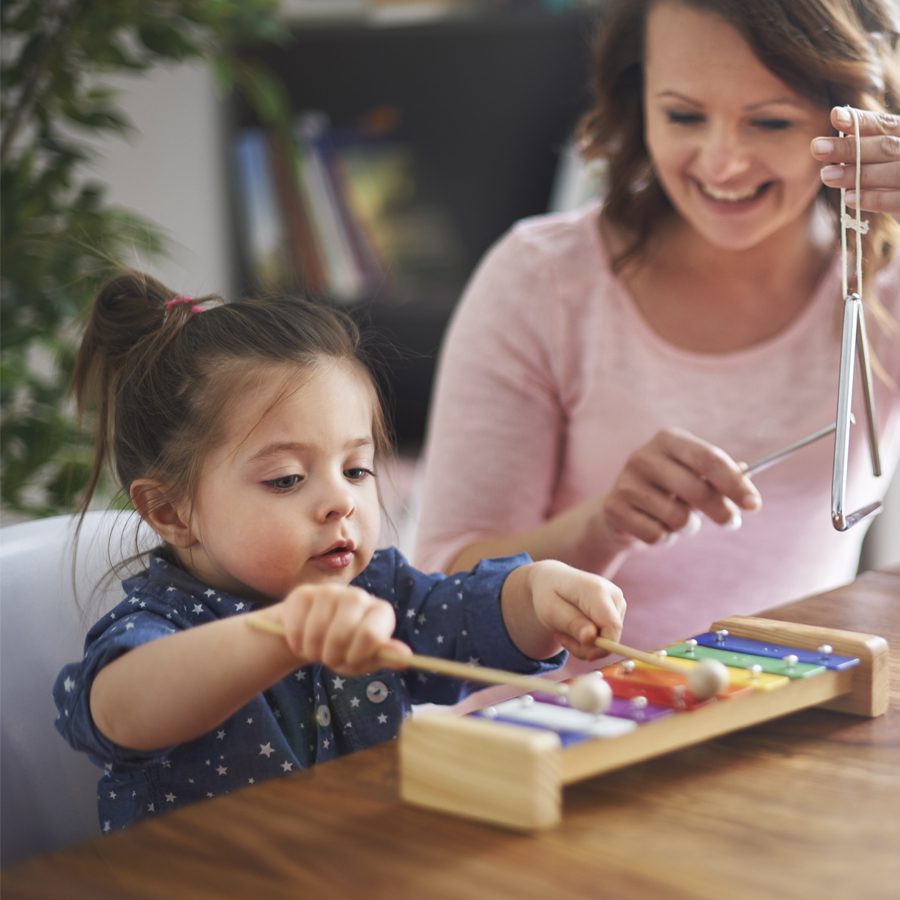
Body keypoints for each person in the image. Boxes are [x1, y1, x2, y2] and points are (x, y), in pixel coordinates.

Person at [53, 271, 626, 832]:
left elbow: (471, 618)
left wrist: (539, 595)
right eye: (285, 479)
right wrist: (281, 633)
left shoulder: (377, 591)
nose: (340, 502)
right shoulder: (158, 626)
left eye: (356, 469)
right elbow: (117, 710)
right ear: (171, 512)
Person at [415, 0, 900, 655]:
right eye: (683, 115)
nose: (722, 162)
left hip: (784, 720)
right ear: (636, 97)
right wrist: (606, 525)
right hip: (556, 733)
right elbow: (443, 594)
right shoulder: (544, 281)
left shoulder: (882, 289)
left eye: (770, 121)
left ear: (851, 119)